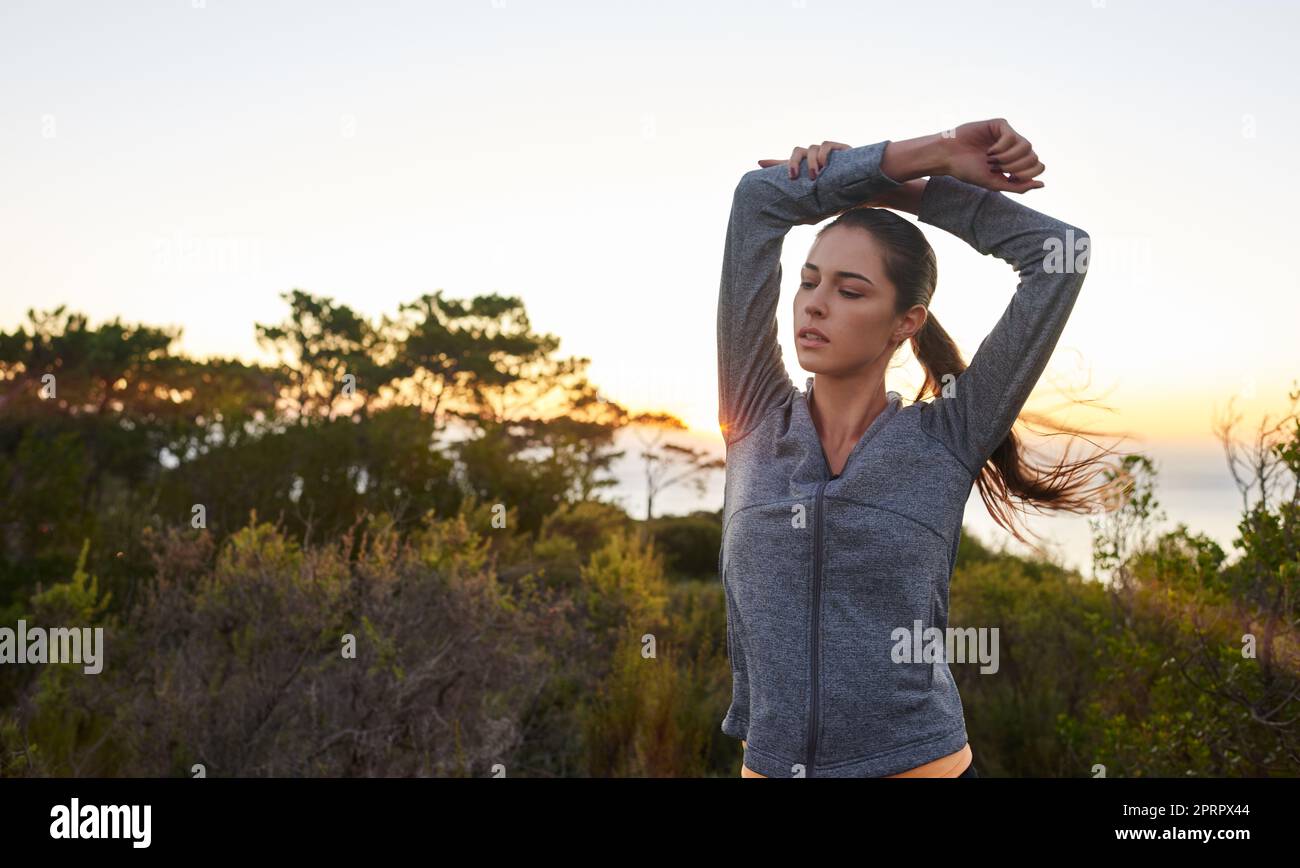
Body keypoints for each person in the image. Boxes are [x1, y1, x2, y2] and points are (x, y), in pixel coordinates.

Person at [718, 119, 1119, 778]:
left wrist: (914, 192)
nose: (814, 306)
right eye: (809, 281)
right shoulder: (754, 415)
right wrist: (913, 155)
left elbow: (1058, 251)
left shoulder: (948, 438)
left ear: (906, 323)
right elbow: (757, 200)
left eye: (850, 291)